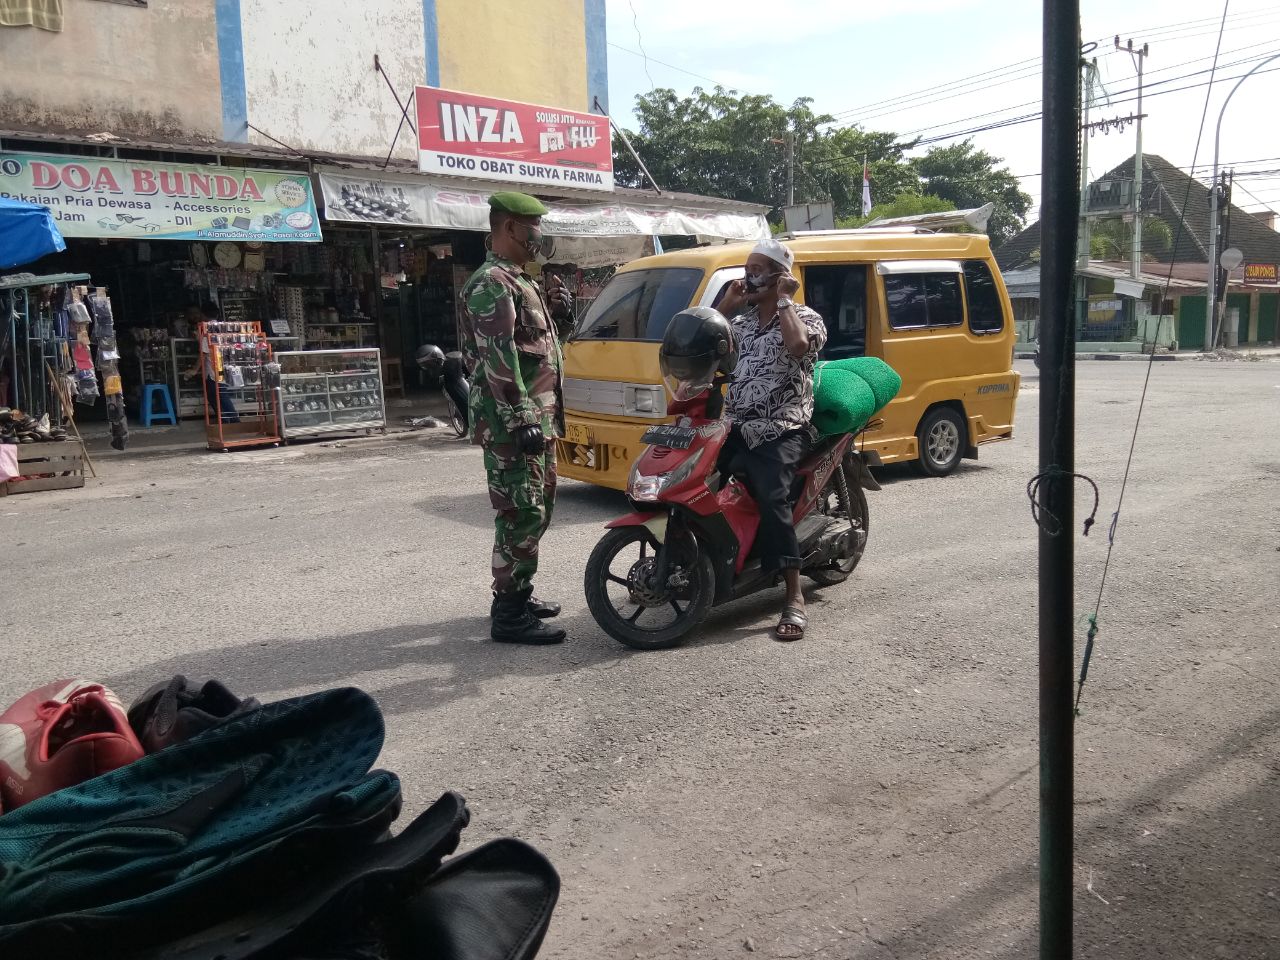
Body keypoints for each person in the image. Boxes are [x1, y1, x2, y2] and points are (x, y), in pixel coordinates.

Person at [458, 192, 575, 645]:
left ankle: (517, 592)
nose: (539, 238)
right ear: (509, 228)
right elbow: (498, 359)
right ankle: (508, 616)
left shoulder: (519, 280)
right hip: (513, 423)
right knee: (520, 512)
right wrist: (522, 416)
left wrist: (561, 317)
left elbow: (538, 351)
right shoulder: (492, 283)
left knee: (537, 509)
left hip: (535, 419)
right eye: (533, 229)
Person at [714, 238, 827, 641]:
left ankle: (794, 596)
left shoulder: (807, 318)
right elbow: (702, 345)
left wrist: (783, 302)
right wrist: (724, 307)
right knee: (697, 481)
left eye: (760, 269)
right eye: (748, 268)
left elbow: (798, 347)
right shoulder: (740, 325)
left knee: (771, 497)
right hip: (733, 427)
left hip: (780, 429)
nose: (750, 275)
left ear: (781, 276)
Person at [188, 304, 239, 424]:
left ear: (203, 315)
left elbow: (204, 353)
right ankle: (226, 422)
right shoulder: (223, 328)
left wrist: (195, 370)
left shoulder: (208, 330)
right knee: (215, 396)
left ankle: (235, 422)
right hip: (225, 365)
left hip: (213, 369)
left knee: (219, 396)